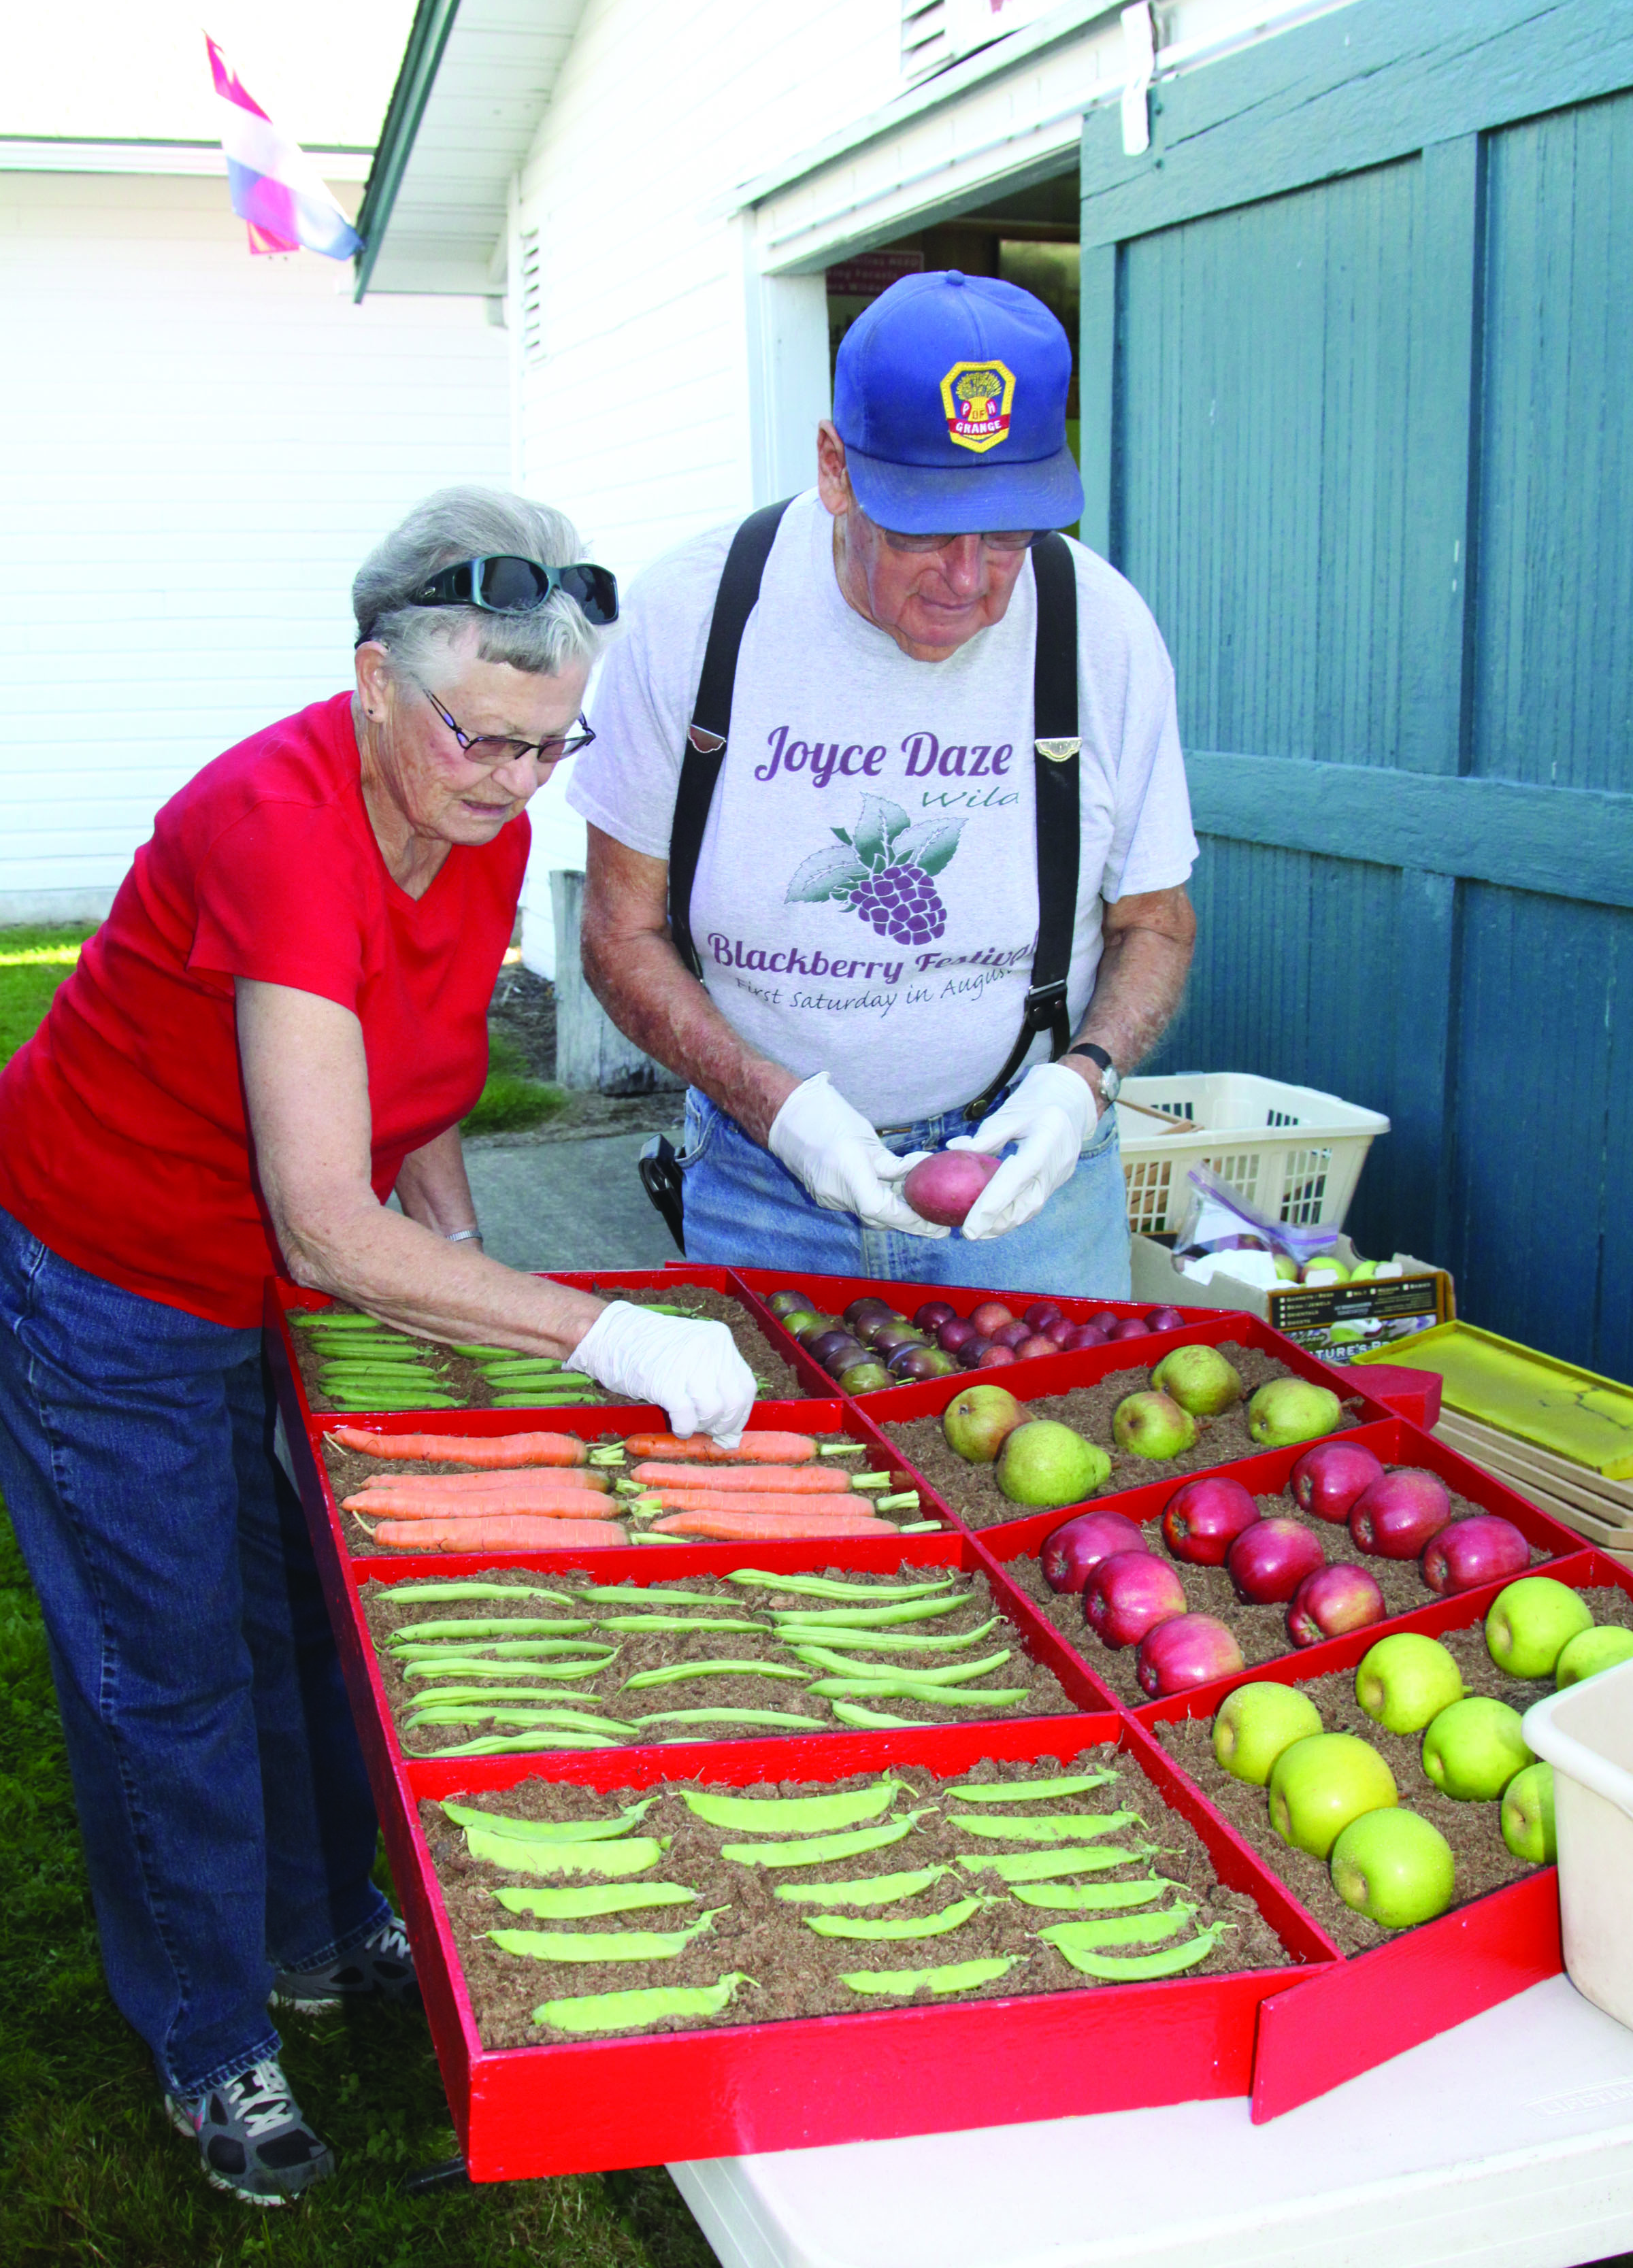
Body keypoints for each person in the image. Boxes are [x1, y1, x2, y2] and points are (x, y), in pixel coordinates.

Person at [0, 487, 753, 2205]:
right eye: (489, 737)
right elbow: (333, 1223)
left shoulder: (472, 805)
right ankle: (209, 2042)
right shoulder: (277, 826)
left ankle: (321, 1923)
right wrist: (601, 1331)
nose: (518, 783)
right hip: (107, 1265)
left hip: (261, 1265)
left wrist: (470, 1260)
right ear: (371, 678)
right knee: (162, 1658)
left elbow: (407, 1071)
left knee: (304, 1607)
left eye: (552, 747)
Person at [573, 270, 1198, 1290]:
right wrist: (775, 1105)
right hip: (764, 1179)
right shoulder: (694, 617)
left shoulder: (1103, 629)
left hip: (1027, 1191)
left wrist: (1083, 1085)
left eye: (1008, 533)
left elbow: (1157, 922)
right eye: (922, 526)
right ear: (834, 467)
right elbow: (616, 931)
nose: (968, 579)